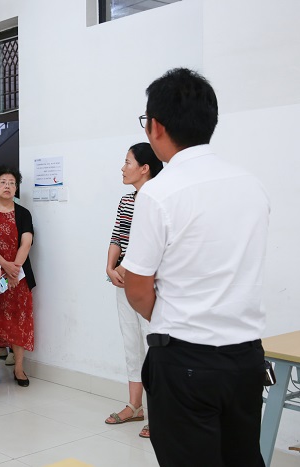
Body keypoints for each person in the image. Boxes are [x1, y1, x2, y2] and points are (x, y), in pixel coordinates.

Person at [123, 68, 270, 467]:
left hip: (185, 359)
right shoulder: (251, 184)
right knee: (241, 458)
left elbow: (137, 288)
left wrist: (180, 316)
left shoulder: (158, 193)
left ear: (156, 126)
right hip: (246, 359)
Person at [104, 142, 162, 439]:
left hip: (149, 282)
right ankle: (135, 406)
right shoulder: (127, 200)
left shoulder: (159, 199)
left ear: (145, 168)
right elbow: (119, 235)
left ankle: (159, 413)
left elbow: (150, 243)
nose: (123, 168)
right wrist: (110, 267)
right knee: (131, 342)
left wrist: (125, 269)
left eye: (128, 162)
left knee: (154, 345)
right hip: (123, 279)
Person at [0, 166, 36, 388]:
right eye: (3, 182)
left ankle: (19, 368)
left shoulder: (24, 213)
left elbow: (26, 242)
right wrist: (4, 265)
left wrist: (15, 269)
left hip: (19, 277)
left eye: (12, 183)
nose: (8, 186)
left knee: (19, 321)